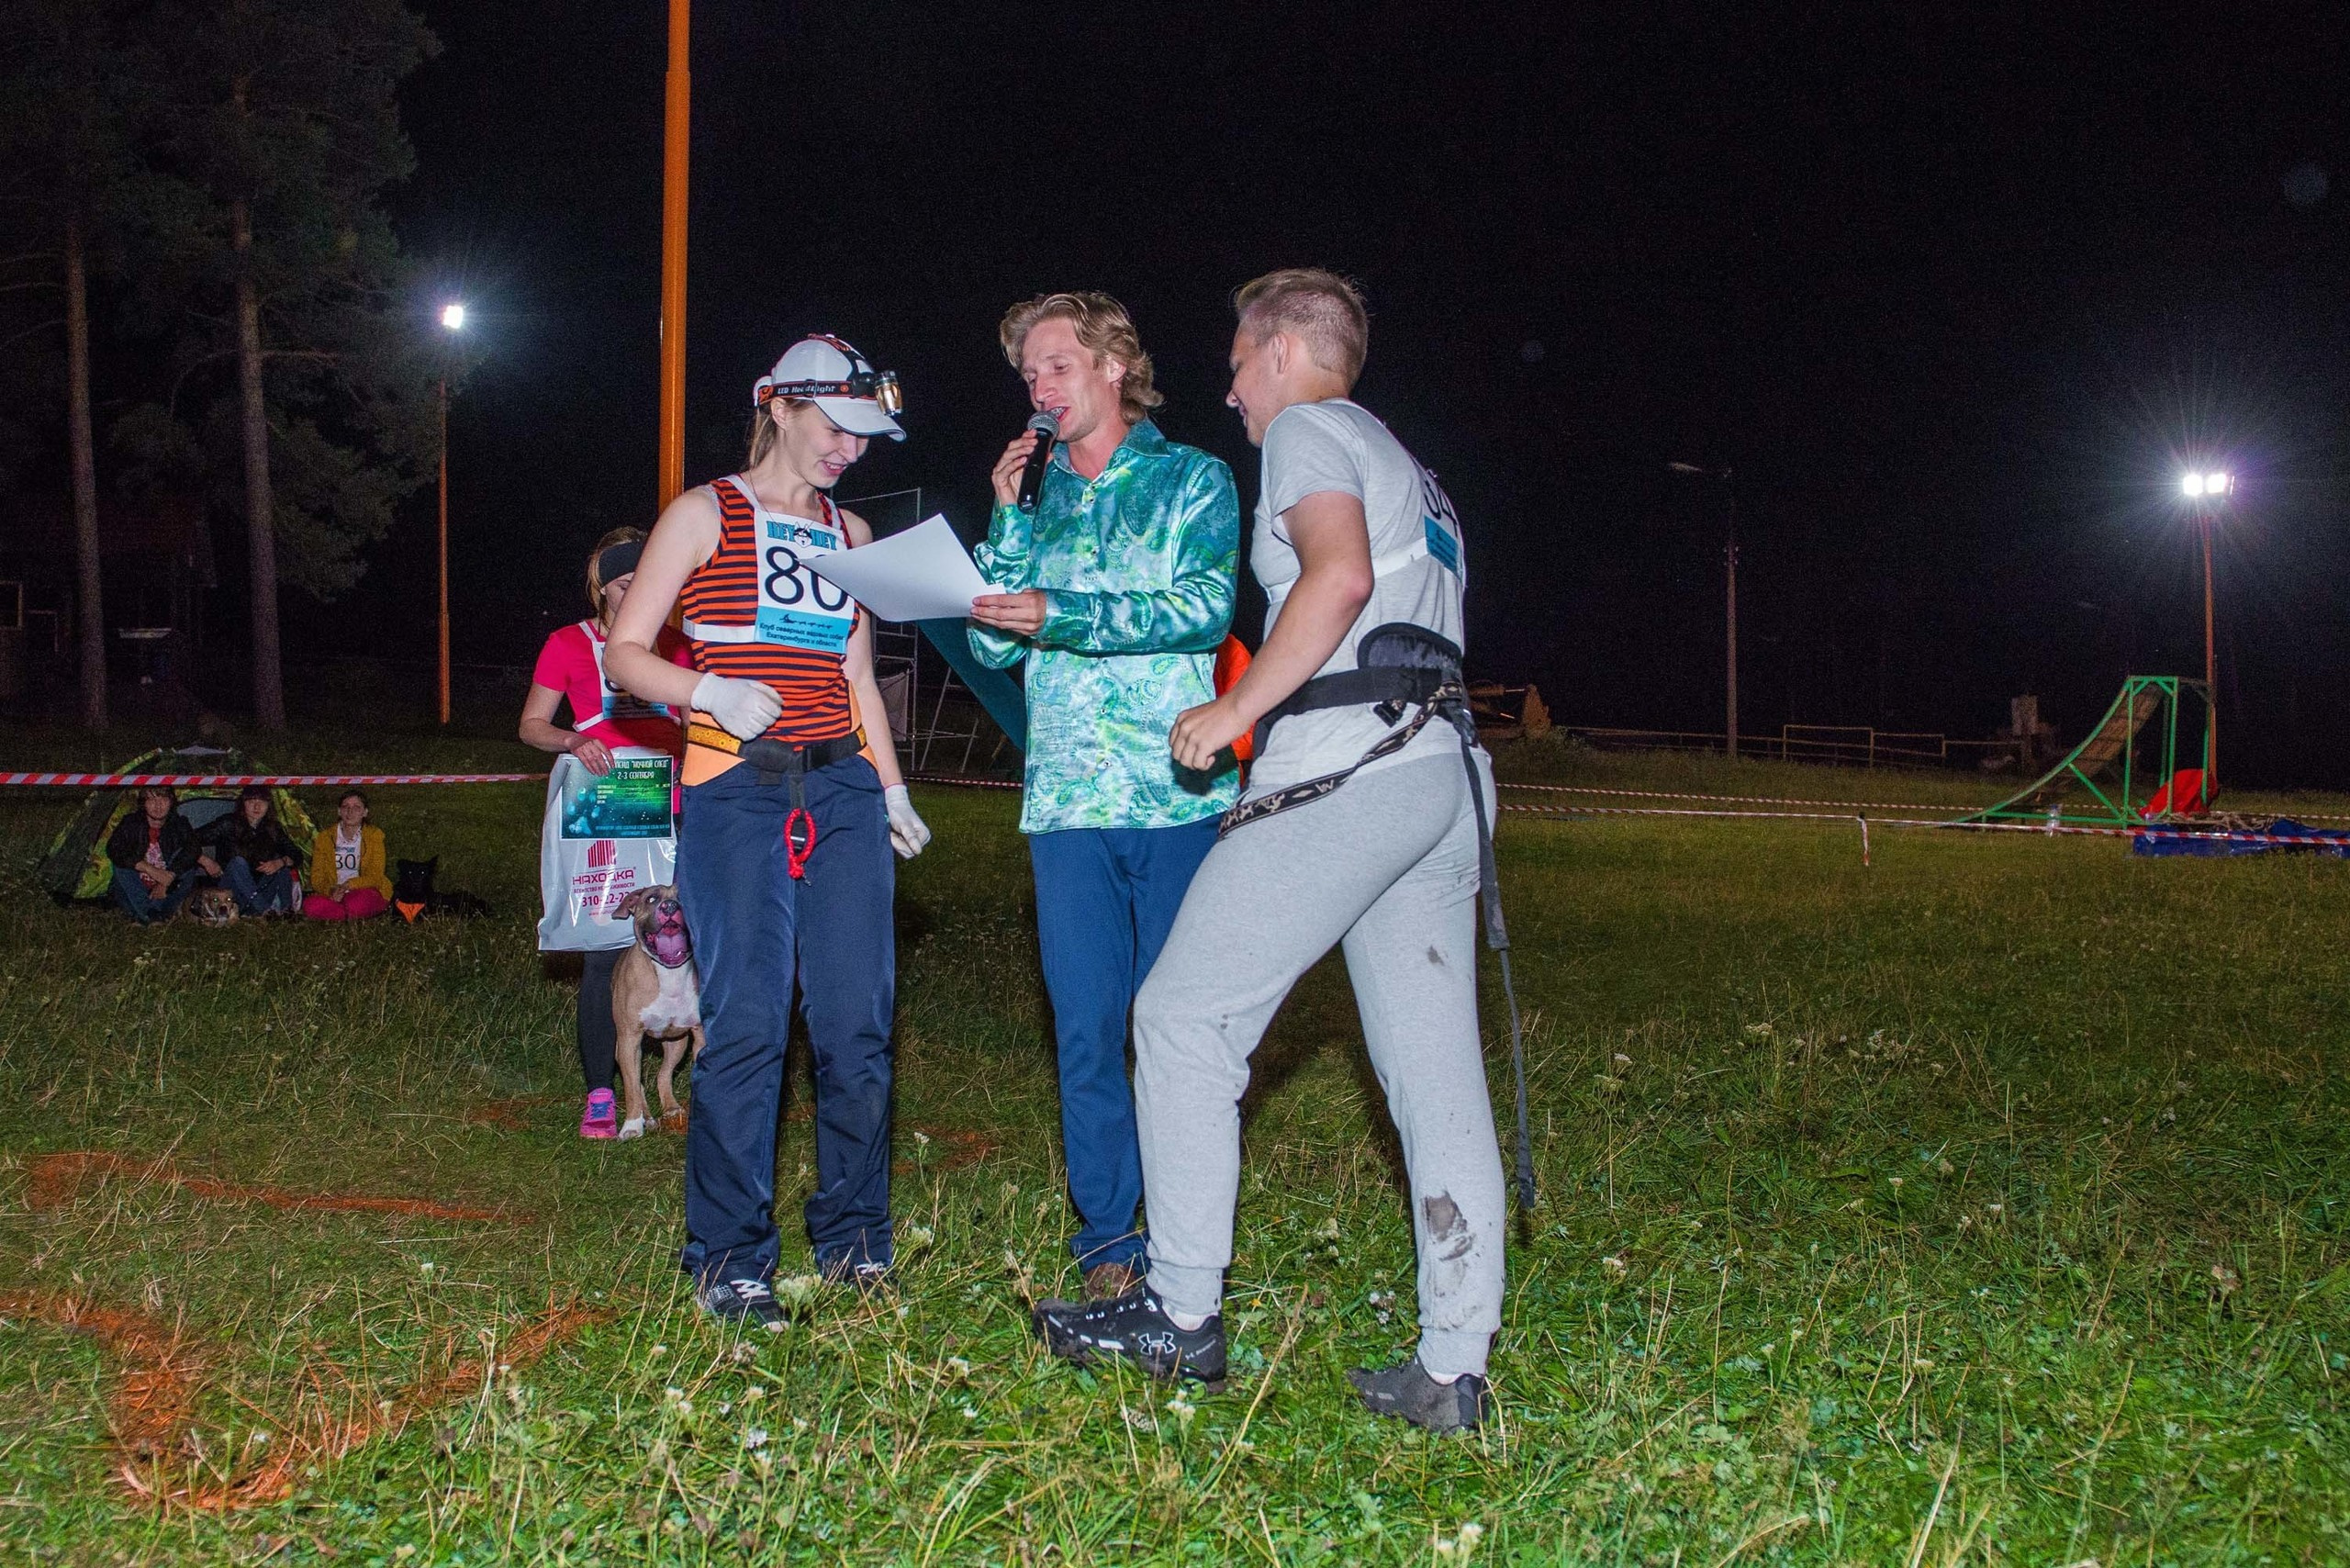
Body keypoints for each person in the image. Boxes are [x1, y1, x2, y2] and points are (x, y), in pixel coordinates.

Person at [1035, 270, 1508, 1433]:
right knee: (1434, 1073)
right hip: (1442, 774)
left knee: (1182, 1019)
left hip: (1350, 762)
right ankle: (1454, 1362)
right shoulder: (1413, 465)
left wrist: (1234, 713)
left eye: (1241, 363)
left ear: (1287, 350)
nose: (1233, 390)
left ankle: (1179, 1312)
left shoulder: (1306, 428)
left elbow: (1336, 576)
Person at [606, 333, 932, 1329]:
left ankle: (854, 1240)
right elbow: (625, 655)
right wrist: (704, 685)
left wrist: (889, 788)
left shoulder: (855, 532)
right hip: (735, 791)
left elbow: (854, 670)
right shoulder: (702, 514)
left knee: (856, 1026)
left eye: (865, 435)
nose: (851, 449)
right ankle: (729, 1254)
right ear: (777, 405)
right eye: (836, 427)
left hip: (839, 791)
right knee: (745, 1023)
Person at [968, 293, 1239, 1299]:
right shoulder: (1039, 501)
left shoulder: (1191, 477)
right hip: (1067, 802)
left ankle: (1188, 1240)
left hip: (1174, 795)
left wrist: (1062, 610)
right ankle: (1108, 1246)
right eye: (1028, 375)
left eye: (1056, 367)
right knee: (1086, 1028)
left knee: (1177, 1025)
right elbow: (995, 639)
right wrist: (1003, 522)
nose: (1038, 390)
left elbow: (1204, 607)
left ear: (1113, 366)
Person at [520, 527, 696, 1139]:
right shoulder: (568, 643)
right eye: (627, 582)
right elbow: (532, 725)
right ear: (603, 585)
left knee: (692, 944)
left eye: (651, 578)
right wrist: (573, 739)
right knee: (604, 954)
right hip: (606, 801)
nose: (642, 590)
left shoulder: (678, 645)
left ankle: (691, 1081)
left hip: (674, 804)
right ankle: (601, 1089)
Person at [197, 786, 302, 916]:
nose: (256, 806)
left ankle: (287, 912)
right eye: (251, 801)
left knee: (283, 867)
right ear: (243, 804)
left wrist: (281, 862)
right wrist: (206, 861)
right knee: (238, 862)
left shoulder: (273, 828)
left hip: (259, 889)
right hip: (230, 893)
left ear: (268, 805)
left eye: (262, 802)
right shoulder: (228, 823)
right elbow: (189, 840)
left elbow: (297, 854)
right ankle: (265, 910)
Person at [106, 786, 201, 924]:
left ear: (171, 802)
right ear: (143, 803)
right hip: (136, 890)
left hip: (167, 892)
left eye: (164, 799)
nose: (158, 805)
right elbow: (114, 849)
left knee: (187, 864)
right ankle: (151, 915)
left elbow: (193, 850)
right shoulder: (131, 823)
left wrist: (168, 878)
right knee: (121, 865)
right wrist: (149, 869)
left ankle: (148, 916)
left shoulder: (179, 824)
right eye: (151, 800)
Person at [305, 790, 391, 921]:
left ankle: (341, 912)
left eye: (357, 808)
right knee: (310, 905)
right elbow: (317, 876)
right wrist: (331, 890)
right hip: (335, 892)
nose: (350, 812)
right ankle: (344, 913)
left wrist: (348, 885)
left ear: (365, 812)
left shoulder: (375, 836)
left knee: (356, 903)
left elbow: (375, 876)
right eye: (346, 807)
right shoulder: (324, 838)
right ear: (339, 811)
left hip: (364, 890)